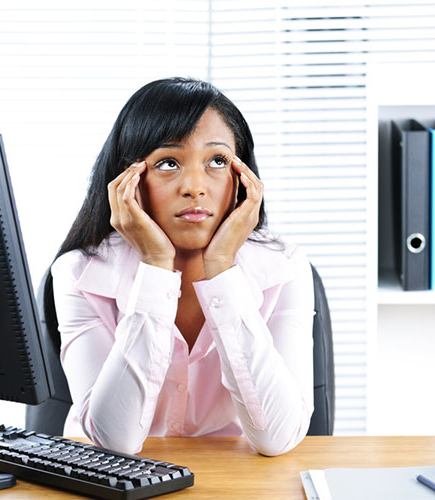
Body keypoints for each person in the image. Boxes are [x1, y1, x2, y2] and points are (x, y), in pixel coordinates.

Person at [50, 77, 314, 457]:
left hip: (237, 484)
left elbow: (277, 438)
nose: (194, 186)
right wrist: (156, 266)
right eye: (169, 163)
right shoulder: (79, 274)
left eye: (217, 161)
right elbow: (115, 442)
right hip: (113, 484)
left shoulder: (284, 267)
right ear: (128, 182)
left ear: (243, 180)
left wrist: (222, 268)